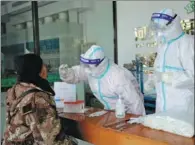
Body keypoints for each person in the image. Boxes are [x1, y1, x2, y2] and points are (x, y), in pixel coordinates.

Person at [2, 53, 77, 145]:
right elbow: (50, 140)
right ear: (36, 70)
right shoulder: (37, 98)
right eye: (42, 65)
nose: (46, 68)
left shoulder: (15, 90)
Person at [59, 45, 145, 115]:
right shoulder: (91, 71)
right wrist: (67, 73)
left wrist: (138, 123)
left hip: (127, 113)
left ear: (99, 64)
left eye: (89, 65)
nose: (86, 68)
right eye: (86, 65)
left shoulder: (117, 76)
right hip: (110, 112)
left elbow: (135, 103)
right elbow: (76, 74)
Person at [144, 9, 194, 113]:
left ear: (172, 26)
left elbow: (192, 77)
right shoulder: (163, 46)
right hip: (162, 106)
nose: (158, 32)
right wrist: (152, 80)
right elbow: (160, 72)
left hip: (182, 107)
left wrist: (164, 77)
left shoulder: (188, 43)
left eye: (161, 28)